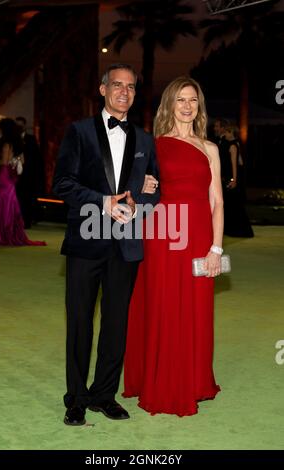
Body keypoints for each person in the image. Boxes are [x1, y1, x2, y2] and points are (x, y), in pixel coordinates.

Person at [53, 63, 159, 426]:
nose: (123, 92)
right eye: (117, 85)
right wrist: (103, 202)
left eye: (130, 87)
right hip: (85, 242)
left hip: (126, 245)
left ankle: (104, 395)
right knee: (80, 323)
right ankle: (76, 399)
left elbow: (153, 190)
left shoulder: (145, 140)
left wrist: (137, 205)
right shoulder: (79, 132)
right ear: (103, 90)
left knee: (116, 323)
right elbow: (62, 184)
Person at [123, 76, 223, 417]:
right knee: (164, 305)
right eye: (180, 99)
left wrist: (216, 249)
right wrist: (144, 184)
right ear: (170, 105)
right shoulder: (153, 145)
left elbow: (217, 203)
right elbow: (139, 192)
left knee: (195, 307)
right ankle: (159, 380)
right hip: (163, 234)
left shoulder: (210, 149)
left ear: (199, 106)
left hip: (197, 236)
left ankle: (194, 381)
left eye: (192, 100)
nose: (187, 106)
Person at [0, 118, 46, 246]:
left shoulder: (6, 143)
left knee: (0, 203)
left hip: (3, 174)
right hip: (11, 175)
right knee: (9, 203)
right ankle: (8, 233)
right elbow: (22, 161)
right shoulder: (17, 142)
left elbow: (4, 162)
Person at [223, 123, 254, 237]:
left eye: (226, 132)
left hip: (232, 178)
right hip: (235, 178)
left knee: (234, 205)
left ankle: (237, 229)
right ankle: (233, 228)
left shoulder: (232, 146)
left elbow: (234, 164)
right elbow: (240, 162)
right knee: (234, 204)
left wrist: (234, 179)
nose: (224, 133)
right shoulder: (235, 144)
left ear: (231, 133)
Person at [15, 117, 43, 228]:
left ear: (24, 126)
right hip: (15, 175)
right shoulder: (13, 139)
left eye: (21, 126)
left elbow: (36, 158)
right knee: (16, 198)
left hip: (28, 175)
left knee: (27, 199)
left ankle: (26, 221)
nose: (19, 128)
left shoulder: (31, 139)